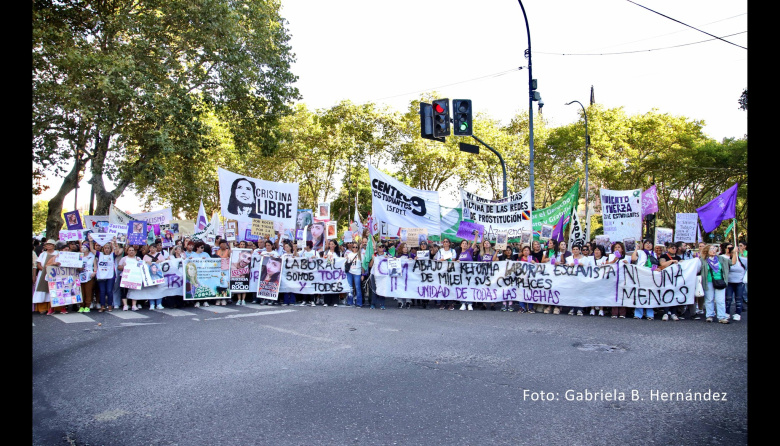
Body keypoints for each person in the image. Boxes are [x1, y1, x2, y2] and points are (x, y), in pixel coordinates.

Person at [699, 243, 736, 323]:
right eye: (711, 249)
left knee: (720, 300)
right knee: (709, 299)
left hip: (720, 281)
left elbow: (732, 263)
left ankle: (721, 317)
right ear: (706, 251)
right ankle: (709, 315)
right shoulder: (703, 260)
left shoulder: (721, 258)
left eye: (714, 249)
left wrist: (735, 253)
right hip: (708, 282)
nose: (713, 250)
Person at [33, 239, 65, 315]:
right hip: (43, 273)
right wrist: (44, 270)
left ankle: (55, 307)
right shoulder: (43, 254)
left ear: (54, 246)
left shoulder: (58, 253)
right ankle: (42, 308)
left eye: (50, 245)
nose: (48, 246)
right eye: (47, 245)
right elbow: (38, 264)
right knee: (42, 290)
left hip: (55, 274)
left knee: (54, 290)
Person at [658, 243, 683, 321]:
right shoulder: (663, 256)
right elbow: (663, 264)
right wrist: (672, 261)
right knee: (667, 294)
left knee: (675, 294)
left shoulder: (678, 257)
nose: (674, 249)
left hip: (676, 279)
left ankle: (673, 313)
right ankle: (665, 312)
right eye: (672, 248)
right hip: (666, 278)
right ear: (668, 249)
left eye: (675, 248)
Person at [95, 239, 122, 312]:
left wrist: (115, 243)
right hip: (101, 276)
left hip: (110, 276)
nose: (106, 250)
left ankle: (110, 305)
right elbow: (91, 249)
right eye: (105, 248)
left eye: (108, 248)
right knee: (102, 291)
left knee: (109, 291)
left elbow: (117, 251)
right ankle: (102, 306)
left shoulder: (112, 255)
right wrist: (91, 241)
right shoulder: (99, 254)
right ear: (103, 249)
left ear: (110, 249)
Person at [455, 232, 479, 311]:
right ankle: (463, 303)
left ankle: (469, 303)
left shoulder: (469, 251)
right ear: (461, 245)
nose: (465, 244)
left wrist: (476, 235)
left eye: (466, 243)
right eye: (463, 243)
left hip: (470, 272)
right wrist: (457, 261)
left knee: (470, 287)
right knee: (462, 288)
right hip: (462, 273)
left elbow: (474, 243)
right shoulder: (459, 253)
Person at [565, 244, 591, 316]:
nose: (575, 251)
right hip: (571, 279)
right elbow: (565, 266)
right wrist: (568, 265)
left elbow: (590, 267)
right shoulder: (569, 258)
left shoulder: (585, 259)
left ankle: (580, 309)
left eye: (577, 249)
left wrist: (582, 264)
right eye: (574, 249)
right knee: (572, 293)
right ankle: (572, 308)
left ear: (579, 250)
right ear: (572, 250)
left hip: (581, 278)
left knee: (580, 293)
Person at [723, 242, 746, 321]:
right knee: (728, 298)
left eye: (736, 252)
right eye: (733, 252)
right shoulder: (727, 260)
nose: (734, 254)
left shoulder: (743, 260)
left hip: (740, 282)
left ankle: (738, 313)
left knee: (739, 298)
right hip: (729, 282)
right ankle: (727, 312)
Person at [607, 242, 629, 318]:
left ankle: (622, 313)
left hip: (623, 278)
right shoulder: (611, 256)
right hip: (613, 278)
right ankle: (614, 312)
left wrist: (627, 263)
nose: (617, 249)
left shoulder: (626, 257)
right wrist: (613, 261)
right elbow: (606, 265)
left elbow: (631, 267)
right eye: (615, 247)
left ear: (622, 249)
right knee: (614, 295)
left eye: (619, 247)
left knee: (623, 295)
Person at [117, 246, 142, 311]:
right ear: (127, 251)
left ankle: (134, 305)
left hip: (134, 277)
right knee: (124, 291)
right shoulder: (124, 259)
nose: (131, 251)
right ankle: (125, 305)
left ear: (135, 252)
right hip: (125, 277)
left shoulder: (138, 258)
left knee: (134, 291)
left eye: (132, 250)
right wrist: (123, 266)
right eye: (130, 250)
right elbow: (119, 267)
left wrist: (140, 262)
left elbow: (142, 267)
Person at [435, 238, 457, 310]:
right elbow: (438, 260)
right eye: (444, 242)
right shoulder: (440, 251)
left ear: (449, 243)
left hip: (450, 270)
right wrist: (445, 259)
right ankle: (443, 302)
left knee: (450, 286)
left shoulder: (452, 251)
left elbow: (453, 259)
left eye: (446, 241)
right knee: (442, 286)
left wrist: (444, 259)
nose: (445, 243)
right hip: (442, 271)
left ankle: (451, 303)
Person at [143, 244, 165, 310]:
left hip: (158, 274)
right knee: (151, 289)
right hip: (150, 274)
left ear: (156, 248)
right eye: (151, 248)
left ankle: (159, 303)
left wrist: (160, 261)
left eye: (153, 248)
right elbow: (143, 264)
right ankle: (151, 304)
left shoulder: (160, 255)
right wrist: (146, 262)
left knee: (159, 289)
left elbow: (165, 263)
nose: (152, 249)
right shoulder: (146, 256)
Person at [589, 244, 609, 316]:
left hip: (602, 279)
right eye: (595, 250)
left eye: (598, 250)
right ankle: (592, 308)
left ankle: (601, 309)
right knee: (592, 293)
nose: (596, 252)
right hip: (592, 279)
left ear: (601, 251)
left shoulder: (605, 258)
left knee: (601, 294)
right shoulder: (590, 258)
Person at [344, 242, 365, 308]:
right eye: (353, 247)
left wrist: (363, 274)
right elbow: (346, 263)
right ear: (351, 248)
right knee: (350, 287)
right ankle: (350, 301)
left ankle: (359, 303)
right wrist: (345, 258)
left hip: (357, 272)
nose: (355, 248)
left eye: (356, 247)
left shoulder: (361, 255)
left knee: (358, 287)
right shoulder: (349, 254)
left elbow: (362, 266)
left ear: (358, 248)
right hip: (350, 272)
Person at [321, 240, 341, 307]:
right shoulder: (326, 252)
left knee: (335, 286)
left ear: (335, 245)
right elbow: (324, 261)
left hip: (335, 273)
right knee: (327, 286)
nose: (331, 246)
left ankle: (335, 301)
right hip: (328, 272)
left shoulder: (338, 253)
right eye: (330, 244)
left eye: (333, 244)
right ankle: (326, 301)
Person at [368, 242, 388, 309]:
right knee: (374, 289)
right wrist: (373, 259)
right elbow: (370, 265)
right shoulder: (374, 255)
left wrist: (388, 258)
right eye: (380, 247)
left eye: (382, 247)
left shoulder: (386, 254)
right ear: (377, 248)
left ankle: (382, 304)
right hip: (374, 274)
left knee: (382, 289)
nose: (381, 248)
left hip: (383, 275)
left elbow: (393, 260)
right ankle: (373, 304)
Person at [78, 242, 96, 313]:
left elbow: (95, 265)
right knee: (81, 291)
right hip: (80, 275)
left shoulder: (92, 256)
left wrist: (94, 272)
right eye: (82, 247)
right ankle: (81, 305)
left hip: (89, 275)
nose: (83, 249)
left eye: (84, 247)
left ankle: (87, 305)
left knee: (88, 291)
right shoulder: (79, 256)